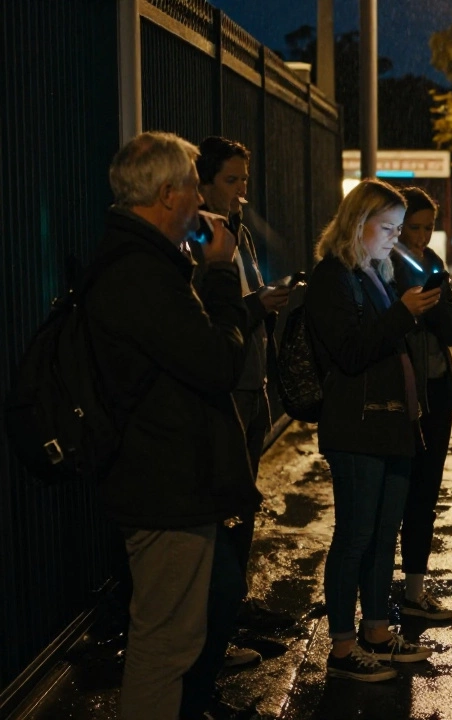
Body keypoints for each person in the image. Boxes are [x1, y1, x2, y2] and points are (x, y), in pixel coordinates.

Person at [86, 131, 260, 719]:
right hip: (162, 487)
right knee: (165, 645)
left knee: (192, 621)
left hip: (170, 481)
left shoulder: (143, 262)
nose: (203, 202)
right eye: (193, 186)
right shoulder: (142, 273)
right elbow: (216, 362)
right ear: (167, 194)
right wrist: (218, 273)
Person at [305, 179, 437, 682]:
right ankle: (342, 646)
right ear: (357, 224)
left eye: (399, 229)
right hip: (357, 426)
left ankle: (377, 631)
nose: (395, 238)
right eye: (388, 227)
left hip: (391, 425)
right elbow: (352, 351)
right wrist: (402, 314)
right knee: (355, 535)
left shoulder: (375, 273)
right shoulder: (332, 277)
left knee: (384, 536)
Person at [191, 136, 294, 667]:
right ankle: (210, 641)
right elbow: (213, 314)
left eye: (244, 181)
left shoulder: (240, 234)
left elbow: (243, 300)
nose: (240, 191)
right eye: (231, 180)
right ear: (203, 182)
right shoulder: (197, 236)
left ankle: (227, 624)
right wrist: (257, 304)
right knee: (224, 510)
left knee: (242, 510)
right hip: (225, 389)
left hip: (251, 385)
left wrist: (265, 302)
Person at [393, 187, 452, 621]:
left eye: (427, 227)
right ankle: (382, 593)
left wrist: (433, 304)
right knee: (393, 496)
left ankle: (415, 589)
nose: (420, 236)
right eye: (413, 227)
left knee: (424, 496)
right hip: (399, 393)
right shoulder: (384, 263)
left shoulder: (433, 263)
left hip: (436, 389)